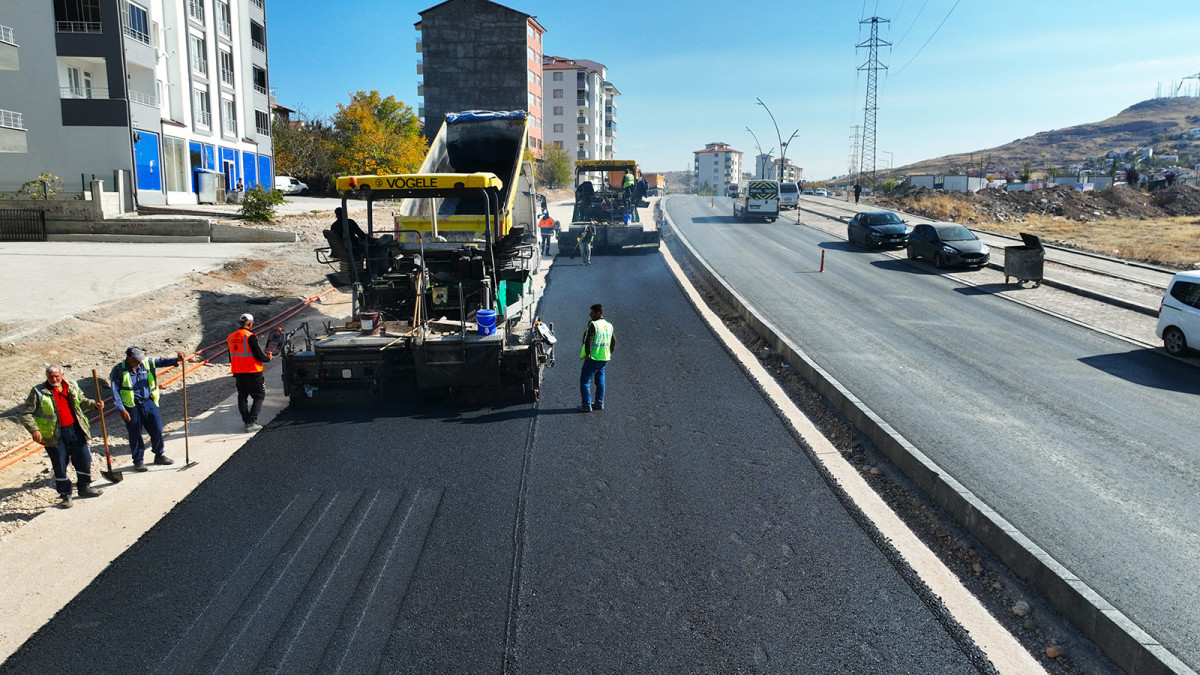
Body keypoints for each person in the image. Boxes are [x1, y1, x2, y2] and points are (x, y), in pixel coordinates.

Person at [21, 365, 105, 508]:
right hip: (54, 435)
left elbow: (82, 400)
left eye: (56, 376)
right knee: (60, 465)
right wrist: (34, 429)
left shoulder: (71, 385)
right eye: (50, 377)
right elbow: (25, 413)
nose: (54, 379)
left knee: (84, 458)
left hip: (75, 429)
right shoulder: (39, 391)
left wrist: (94, 405)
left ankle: (84, 487)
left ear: (62, 375)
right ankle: (65, 495)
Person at [111, 347, 184, 472]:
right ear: (128, 359)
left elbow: (161, 362)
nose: (139, 363)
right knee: (135, 434)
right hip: (131, 406)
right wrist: (122, 409)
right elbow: (115, 391)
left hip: (148, 402)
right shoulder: (118, 370)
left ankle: (159, 455)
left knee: (157, 428)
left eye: (140, 360)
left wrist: (176, 359)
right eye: (136, 361)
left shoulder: (146, 362)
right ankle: (138, 461)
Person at [229, 313, 273, 432]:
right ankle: (251, 423)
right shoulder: (250, 336)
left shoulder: (231, 337)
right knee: (259, 396)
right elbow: (258, 354)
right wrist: (268, 358)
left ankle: (247, 421)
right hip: (252, 371)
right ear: (250, 323)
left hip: (238, 371)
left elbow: (231, 356)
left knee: (242, 397)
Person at [578, 304, 614, 412]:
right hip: (604, 358)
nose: (590, 314)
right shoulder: (609, 325)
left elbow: (589, 339)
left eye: (592, 312)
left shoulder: (594, 325)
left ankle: (586, 405)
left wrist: (588, 354)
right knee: (600, 381)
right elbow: (614, 341)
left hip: (593, 358)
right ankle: (599, 403)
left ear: (598, 313)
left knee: (585, 381)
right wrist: (610, 352)